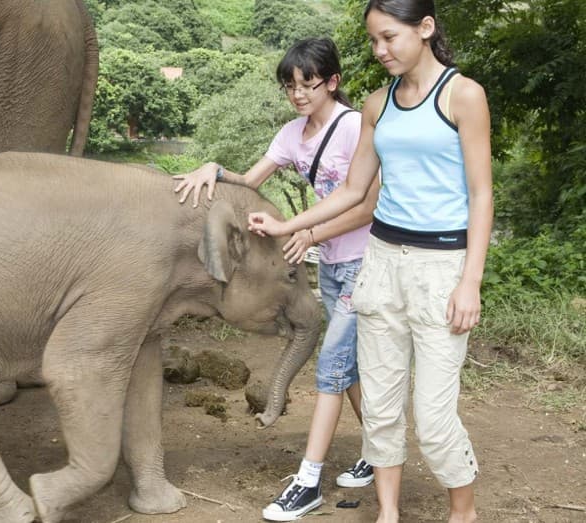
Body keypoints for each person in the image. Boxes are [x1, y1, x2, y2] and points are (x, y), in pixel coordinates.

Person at [248, 1, 492, 522]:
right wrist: (291, 227)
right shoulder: (377, 106)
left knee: (431, 414)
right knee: (380, 404)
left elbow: (481, 194)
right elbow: (357, 191)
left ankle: (463, 512)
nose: (380, 51)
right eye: (374, 41)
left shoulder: (463, 95)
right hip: (380, 263)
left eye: (389, 38)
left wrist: (470, 281)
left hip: (441, 267)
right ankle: (386, 512)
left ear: (424, 28)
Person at [173, 37, 381, 521]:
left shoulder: (354, 128)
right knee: (347, 364)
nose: (299, 94)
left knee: (330, 364)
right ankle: (379, 451)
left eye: (307, 84)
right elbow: (251, 180)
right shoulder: (292, 134)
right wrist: (213, 168)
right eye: (290, 86)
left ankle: (307, 482)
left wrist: (307, 232)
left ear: (332, 82)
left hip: (367, 262)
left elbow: (369, 206)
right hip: (330, 264)